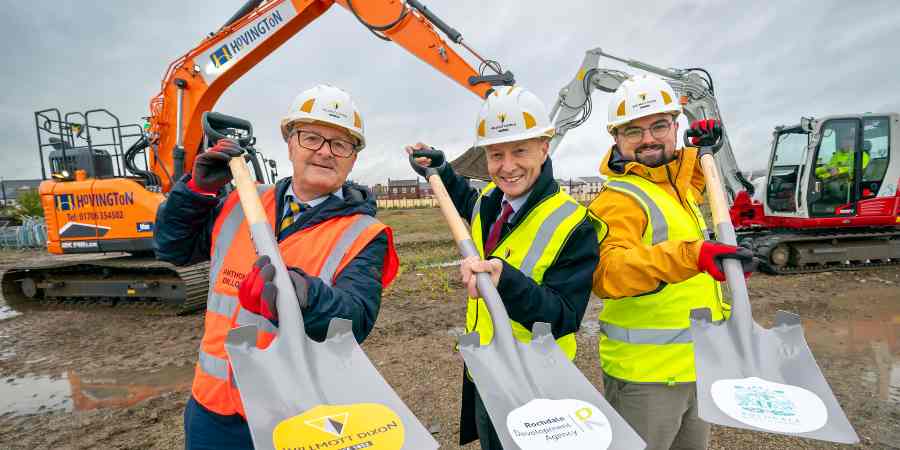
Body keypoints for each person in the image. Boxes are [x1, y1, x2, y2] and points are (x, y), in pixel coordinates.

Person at [155, 84, 398, 450]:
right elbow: (172, 247)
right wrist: (195, 192)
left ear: (353, 157)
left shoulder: (364, 234)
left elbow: (355, 319)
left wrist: (301, 297)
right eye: (311, 137)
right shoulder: (240, 203)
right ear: (290, 142)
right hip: (212, 409)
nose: (324, 152)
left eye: (340, 144)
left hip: (293, 417)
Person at [406, 86, 601, 449]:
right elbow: (465, 198)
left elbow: (565, 316)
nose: (507, 166)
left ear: (544, 147)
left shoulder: (573, 223)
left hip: (540, 388)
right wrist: (440, 170)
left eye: (520, 150)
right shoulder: (491, 202)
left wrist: (506, 282)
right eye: (496, 154)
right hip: (487, 376)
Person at [589, 74, 755, 450]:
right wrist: (691, 256)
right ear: (617, 138)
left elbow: (689, 172)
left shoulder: (679, 187)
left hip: (697, 366)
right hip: (646, 378)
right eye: (634, 131)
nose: (648, 139)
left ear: (675, 127)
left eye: (659, 126)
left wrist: (708, 146)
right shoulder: (618, 199)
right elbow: (608, 274)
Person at [814, 127, 869, 202]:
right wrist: (815, 171)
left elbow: (857, 169)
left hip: (847, 181)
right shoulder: (837, 154)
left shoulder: (862, 155)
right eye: (843, 139)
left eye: (847, 139)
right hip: (828, 178)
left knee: (817, 187)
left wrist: (839, 170)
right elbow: (828, 166)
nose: (842, 142)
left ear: (853, 142)